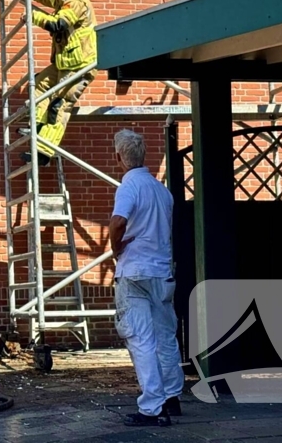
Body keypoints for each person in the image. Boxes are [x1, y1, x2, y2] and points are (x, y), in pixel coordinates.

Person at [109, 129, 184, 427]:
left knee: (140, 340)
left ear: (119, 158)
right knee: (165, 336)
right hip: (162, 272)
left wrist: (117, 249)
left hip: (134, 271)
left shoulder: (129, 186)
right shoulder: (161, 190)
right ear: (144, 156)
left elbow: (118, 222)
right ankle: (172, 396)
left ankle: (152, 407)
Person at [20, 0, 97, 167]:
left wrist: (33, 17)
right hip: (64, 63)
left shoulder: (76, 2)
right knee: (38, 85)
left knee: (59, 106)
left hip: (79, 65)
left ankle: (44, 152)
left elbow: (58, 23)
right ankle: (36, 127)